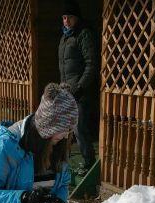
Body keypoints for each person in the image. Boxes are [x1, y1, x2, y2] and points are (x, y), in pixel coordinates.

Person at [58, 0, 97, 174]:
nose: (66, 21)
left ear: (76, 18)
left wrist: (80, 86)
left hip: (81, 92)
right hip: (66, 91)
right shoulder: (65, 37)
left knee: (80, 128)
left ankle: (89, 162)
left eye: (70, 18)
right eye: (64, 17)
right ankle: (65, 162)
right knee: (65, 129)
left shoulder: (83, 35)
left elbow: (91, 64)